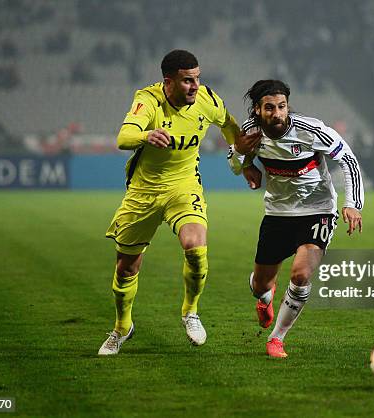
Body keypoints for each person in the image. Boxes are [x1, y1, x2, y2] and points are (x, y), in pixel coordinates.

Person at [99, 50, 245, 355]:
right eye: (187, 80)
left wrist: (240, 158)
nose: (195, 86)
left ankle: (190, 312)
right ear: (169, 82)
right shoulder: (149, 100)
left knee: (195, 246)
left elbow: (230, 125)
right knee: (127, 267)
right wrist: (147, 135)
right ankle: (122, 327)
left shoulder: (207, 100)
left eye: (197, 78)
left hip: (183, 185)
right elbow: (123, 137)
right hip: (143, 190)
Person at [228, 80, 364, 358]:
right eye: (270, 108)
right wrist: (245, 165)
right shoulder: (250, 131)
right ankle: (264, 295)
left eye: (282, 106)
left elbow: (348, 160)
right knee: (259, 285)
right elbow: (233, 158)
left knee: (301, 274)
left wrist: (352, 204)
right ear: (257, 109)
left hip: (318, 209)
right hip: (277, 213)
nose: (277, 113)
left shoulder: (310, 130)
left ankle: (276, 338)